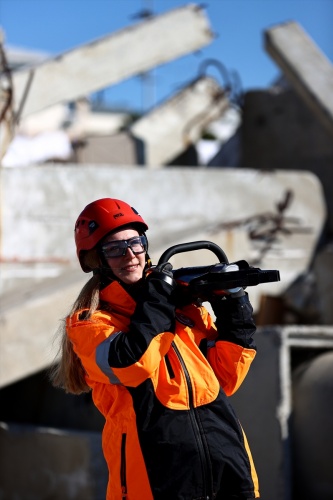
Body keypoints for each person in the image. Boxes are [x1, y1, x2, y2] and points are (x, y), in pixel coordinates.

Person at [51, 197, 260, 500]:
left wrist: (233, 307)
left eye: (137, 243)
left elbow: (224, 379)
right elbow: (131, 364)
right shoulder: (91, 325)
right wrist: (159, 297)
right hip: (155, 484)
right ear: (96, 260)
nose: (131, 255)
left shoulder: (183, 312)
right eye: (114, 249)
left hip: (229, 474)